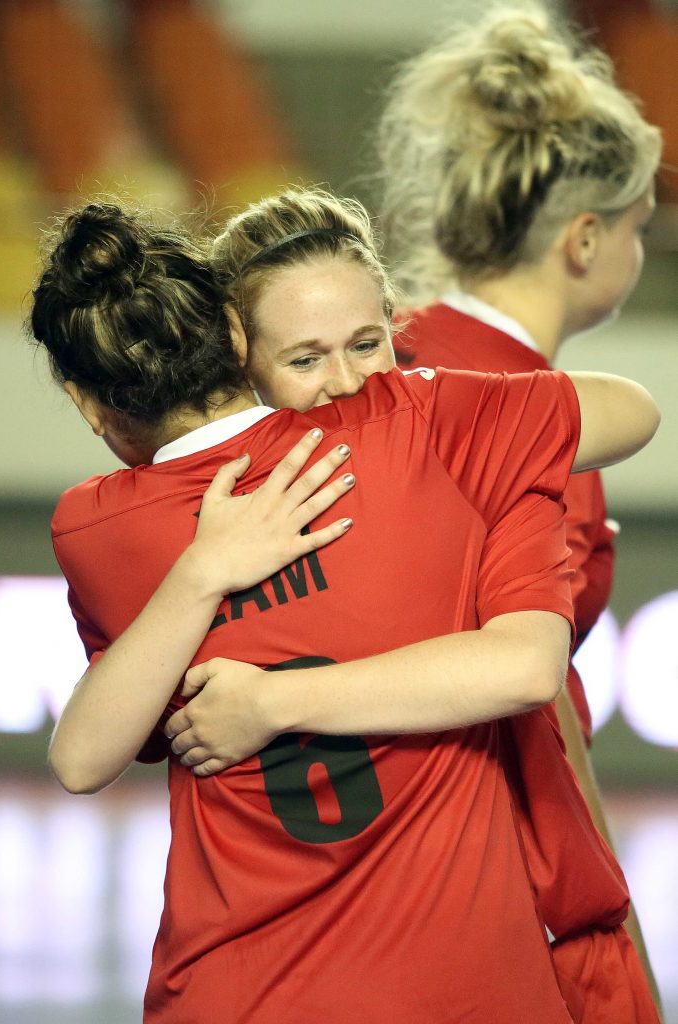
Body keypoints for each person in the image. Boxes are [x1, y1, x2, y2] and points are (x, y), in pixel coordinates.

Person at [36, 197, 658, 1024]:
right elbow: (630, 415)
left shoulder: (94, 525)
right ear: (236, 341)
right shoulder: (432, 427)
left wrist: (233, 634)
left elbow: (80, 762)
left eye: (369, 345)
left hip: (232, 988)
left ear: (87, 400)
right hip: (466, 984)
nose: (347, 382)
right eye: (308, 357)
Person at [376, 2, 663, 1018]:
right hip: (491, 881)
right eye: (640, 224)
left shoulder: (378, 351)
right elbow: (536, 712)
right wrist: (616, 952)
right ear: (584, 240)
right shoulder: (534, 417)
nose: (644, 244)